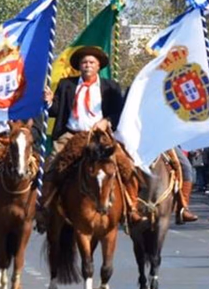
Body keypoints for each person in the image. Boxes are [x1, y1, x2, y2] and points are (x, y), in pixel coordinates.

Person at [38, 45, 141, 232]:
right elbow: (55, 111)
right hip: (71, 134)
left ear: (98, 66)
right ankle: (45, 209)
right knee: (52, 165)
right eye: (84, 62)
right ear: (79, 66)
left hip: (99, 136)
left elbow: (119, 112)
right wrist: (50, 101)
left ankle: (132, 208)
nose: (87, 65)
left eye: (91, 62)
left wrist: (107, 121)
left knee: (126, 165)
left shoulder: (110, 87)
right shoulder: (66, 85)